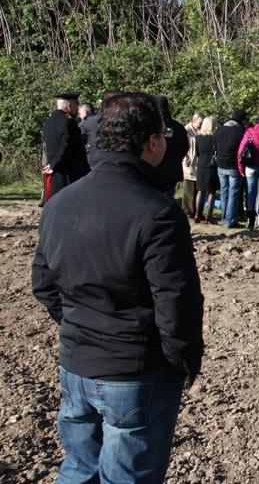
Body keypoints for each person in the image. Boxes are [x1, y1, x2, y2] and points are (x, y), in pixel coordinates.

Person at [31, 92, 204, 482]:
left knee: (78, 468)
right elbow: (177, 304)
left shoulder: (59, 204)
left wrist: (79, 323)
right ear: (152, 141)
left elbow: (43, 284)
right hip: (134, 372)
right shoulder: (157, 213)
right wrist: (183, 362)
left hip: (76, 364)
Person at [42, 93, 90, 196]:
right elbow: (66, 146)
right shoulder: (69, 123)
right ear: (69, 106)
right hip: (70, 174)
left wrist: (52, 164)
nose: (77, 108)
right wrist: (54, 164)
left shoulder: (47, 123)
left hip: (56, 174)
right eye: (76, 104)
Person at [215, 109, 248, 228]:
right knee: (233, 193)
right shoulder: (240, 132)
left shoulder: (220, 129)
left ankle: (224, 217)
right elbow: (243, 150)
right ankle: (230, 219)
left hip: (220, 164)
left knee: (224, 191)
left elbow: (215, 145)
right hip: (233, 165)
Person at [154, 95, 189, 197]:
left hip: (155, 169)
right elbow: (185, 147)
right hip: (172, 170)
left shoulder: (152, 126)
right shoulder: (178, 127)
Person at [194, 116, 219, 223]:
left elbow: (197, 152)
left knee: (200, 190)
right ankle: (209, 215)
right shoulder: (215, 137)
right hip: (212, 165)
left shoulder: (198, 137)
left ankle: (197, 215)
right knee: (212, 192)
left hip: (201, 165)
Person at [182, 113, 204, 217]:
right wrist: (186, 158)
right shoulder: (186, 130)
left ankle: (196, 210)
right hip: (189, 162)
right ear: (193, 121)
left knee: (197, 188)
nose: (201, 125)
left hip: (198, 162)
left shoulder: (201, 131)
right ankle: (187, 210)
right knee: (189, 188)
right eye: (199, 123)